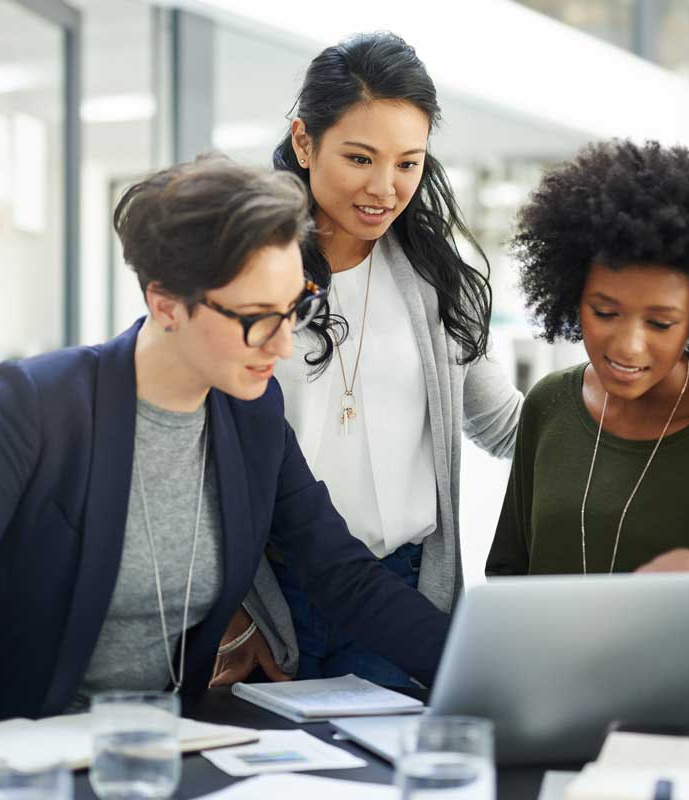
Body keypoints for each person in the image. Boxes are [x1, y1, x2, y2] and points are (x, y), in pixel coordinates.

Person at [0, 157, 451, 782]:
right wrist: (16, 776)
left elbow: (342, 576)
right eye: (258, 319)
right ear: (167, 302)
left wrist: (479, 665)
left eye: (295, 310)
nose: (284, 345)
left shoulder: (250, 417)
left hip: (138, 763)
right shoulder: (38, 407)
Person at [210, 32, 521, 690]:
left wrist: (632, 405)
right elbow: (196, 452)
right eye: (360, 157)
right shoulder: (243, 275)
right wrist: (235, 612)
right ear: (303, 142)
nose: (385, 187)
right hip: (271, 601)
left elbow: (503, 423)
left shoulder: (438, 282)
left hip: (402, 595)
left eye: (408, 163)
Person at [486, 139, 689, 716]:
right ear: (570, 295)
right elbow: (507, 583)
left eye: (660, 322)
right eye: (604, 312)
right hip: (553, 717)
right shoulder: (549, 406)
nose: (627, 345)